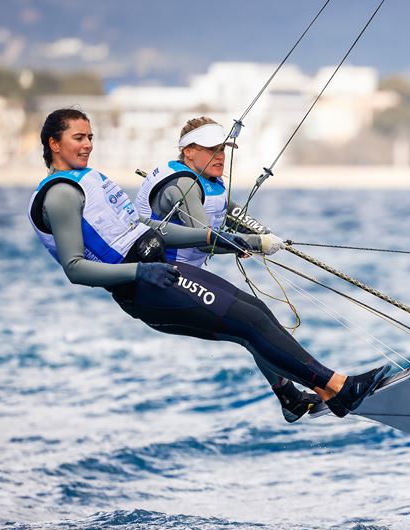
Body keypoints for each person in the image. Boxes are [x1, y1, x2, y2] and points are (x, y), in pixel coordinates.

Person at [28, 108, 390, 421]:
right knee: (250, 322)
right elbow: (75, 269)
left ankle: (303, 396)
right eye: (78, 137)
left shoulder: (89, 179)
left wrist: (228, 241)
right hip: (144, 286)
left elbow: (146, 229)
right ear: (54, 144)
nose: (88, 144)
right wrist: (144, 271)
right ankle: (339, 387)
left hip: (161, 276)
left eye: (91, 136)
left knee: (255, 313)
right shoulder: (60, 193)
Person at [134, 116, 323, 422]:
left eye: (223, 148)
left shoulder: (208, 181)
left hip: (184, 278)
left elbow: (233, 217)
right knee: (252, 322)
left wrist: (264, 238)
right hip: (164, 282)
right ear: (188, 151)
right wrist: (252, 243)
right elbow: (204, 240)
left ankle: (291, 398)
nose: (220, 155)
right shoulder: (183, 185)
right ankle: (328, 387)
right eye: (212, 149)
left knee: (255, 318)